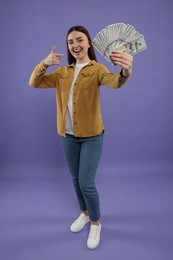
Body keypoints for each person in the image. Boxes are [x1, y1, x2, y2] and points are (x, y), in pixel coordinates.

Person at [29, 25, 133, 249]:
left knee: (86, 183)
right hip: (67, 136)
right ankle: (84, 213)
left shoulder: (97, 69)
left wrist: (125, 72)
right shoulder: (62, 73)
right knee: (75, 179)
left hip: (92, 136)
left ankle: (95, 222)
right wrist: (44, 64)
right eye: (70, 42)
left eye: (79, 40)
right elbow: (34, 82)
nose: (75, 45)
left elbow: (114, 81)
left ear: (88, 44)